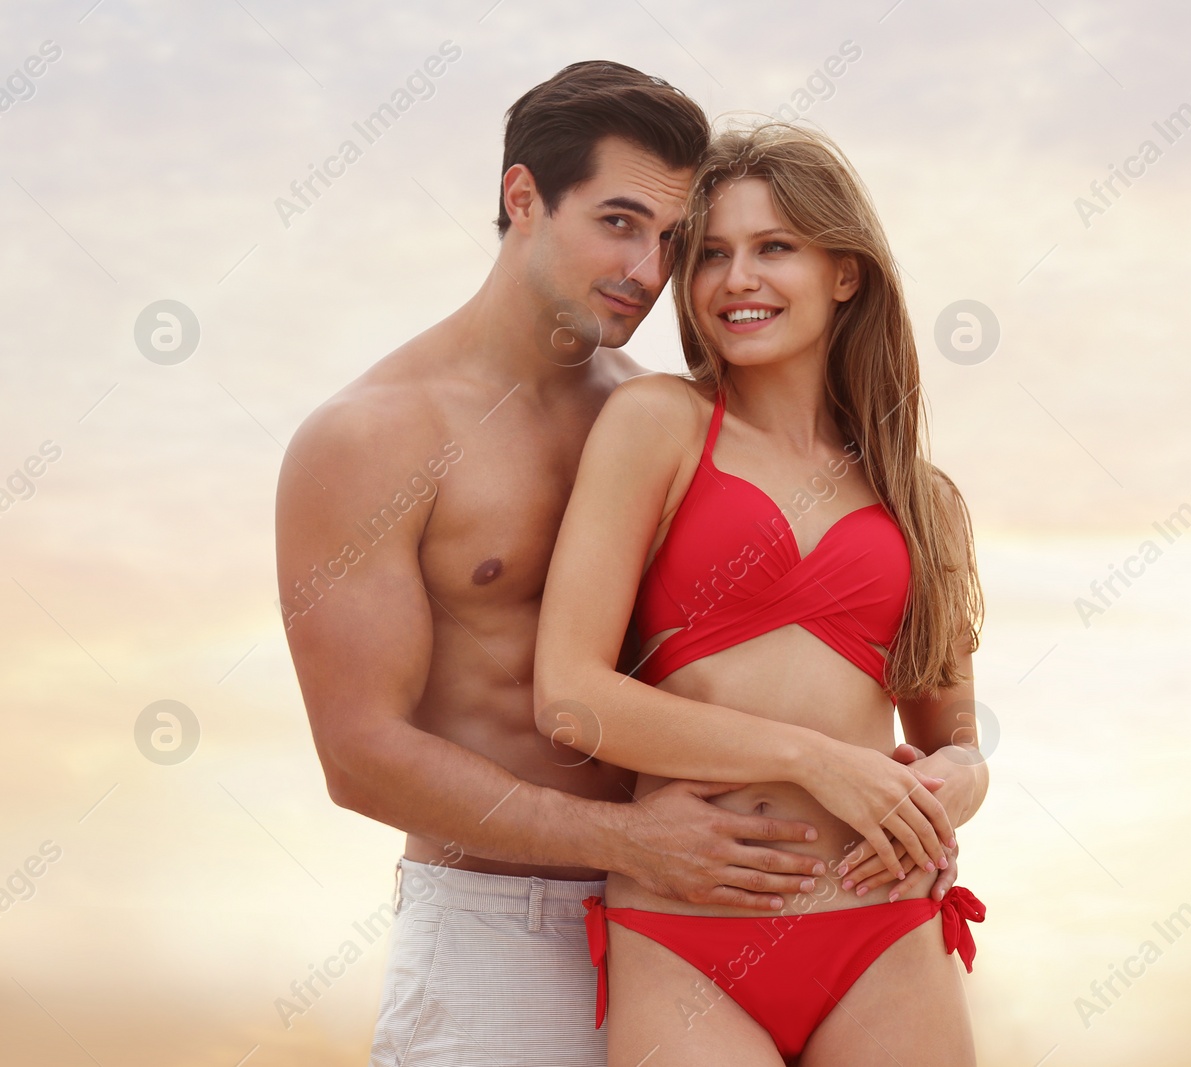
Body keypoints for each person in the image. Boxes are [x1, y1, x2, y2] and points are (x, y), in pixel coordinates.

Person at [277, 63, 847, 1066]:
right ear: (522, 198)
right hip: (503, 927)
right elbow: (357, 750)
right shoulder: (373, 436)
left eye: (674, 241)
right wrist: (624, 838)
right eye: (619, 222)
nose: (648, 267)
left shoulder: (657, 416)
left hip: (693, 917)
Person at [534, 122, 991, 1066]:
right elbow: (570, 697)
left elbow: (953, 734)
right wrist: (815, 759)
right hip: (687, 934)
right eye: (711, 255)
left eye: (774, 247)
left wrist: (963, 779)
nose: (737, 278)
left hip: (885, 927)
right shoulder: (656, 424)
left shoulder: (922, 499)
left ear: (845, 273)